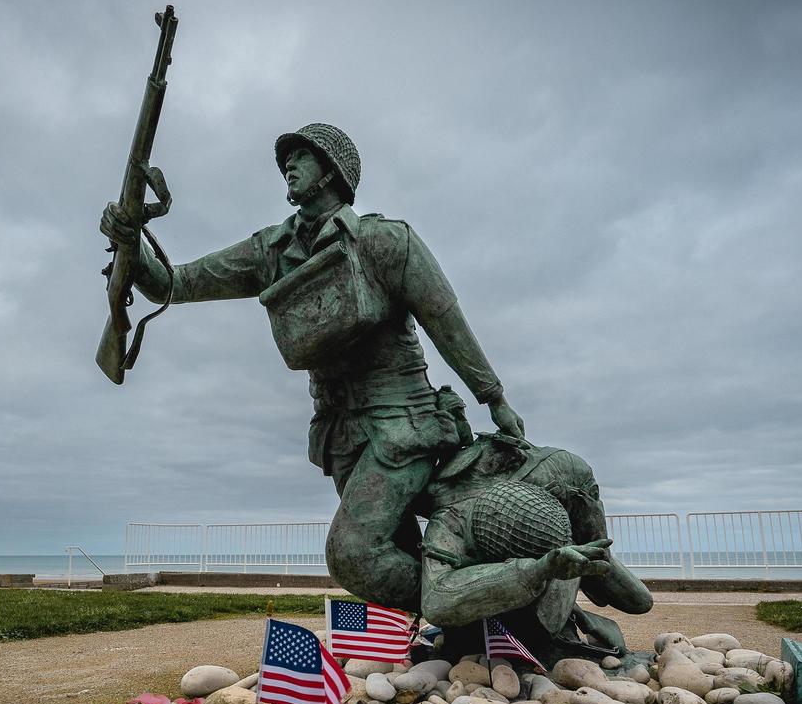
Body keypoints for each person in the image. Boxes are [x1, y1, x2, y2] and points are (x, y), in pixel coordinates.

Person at [100, 123, 522, 610]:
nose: (288, 166)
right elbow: (176, 284)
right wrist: (131, 241)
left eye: (301, 156)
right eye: (287, 160)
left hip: (401, 426)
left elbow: (446, 322)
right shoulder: (270, 250)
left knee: (354, 556)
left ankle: (494, 606)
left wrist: (494, 398)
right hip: (339, 434)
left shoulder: (385, 241)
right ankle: (478, 624)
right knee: (399, 551)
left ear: (331, 171)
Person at [415, 433, 653, 664]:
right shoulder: (452, 519)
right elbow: (437, 602)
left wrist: (594, 533)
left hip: (543, 626)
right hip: (484, 636)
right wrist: (537, 570)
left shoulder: (557, 498)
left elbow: (638, 602)